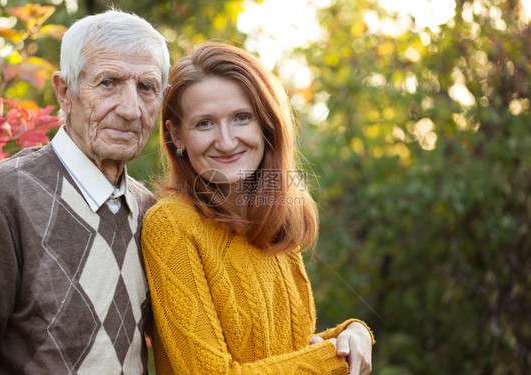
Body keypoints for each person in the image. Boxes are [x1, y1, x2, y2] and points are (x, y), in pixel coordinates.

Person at [141, 41, 374, 375]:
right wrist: (334, 359)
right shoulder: (171, 225)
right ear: (177, 135)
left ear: (266, 125)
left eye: (241, 118)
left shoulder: (273, 220)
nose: (225, 141)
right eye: (205, 123)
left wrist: (354, 334)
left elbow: (287, 352)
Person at [0, 9, 169, 374]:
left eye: (146, 87)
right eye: (109, 82)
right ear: (65, 92)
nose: (130, 109)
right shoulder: (0, 197)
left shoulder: (151, 213)